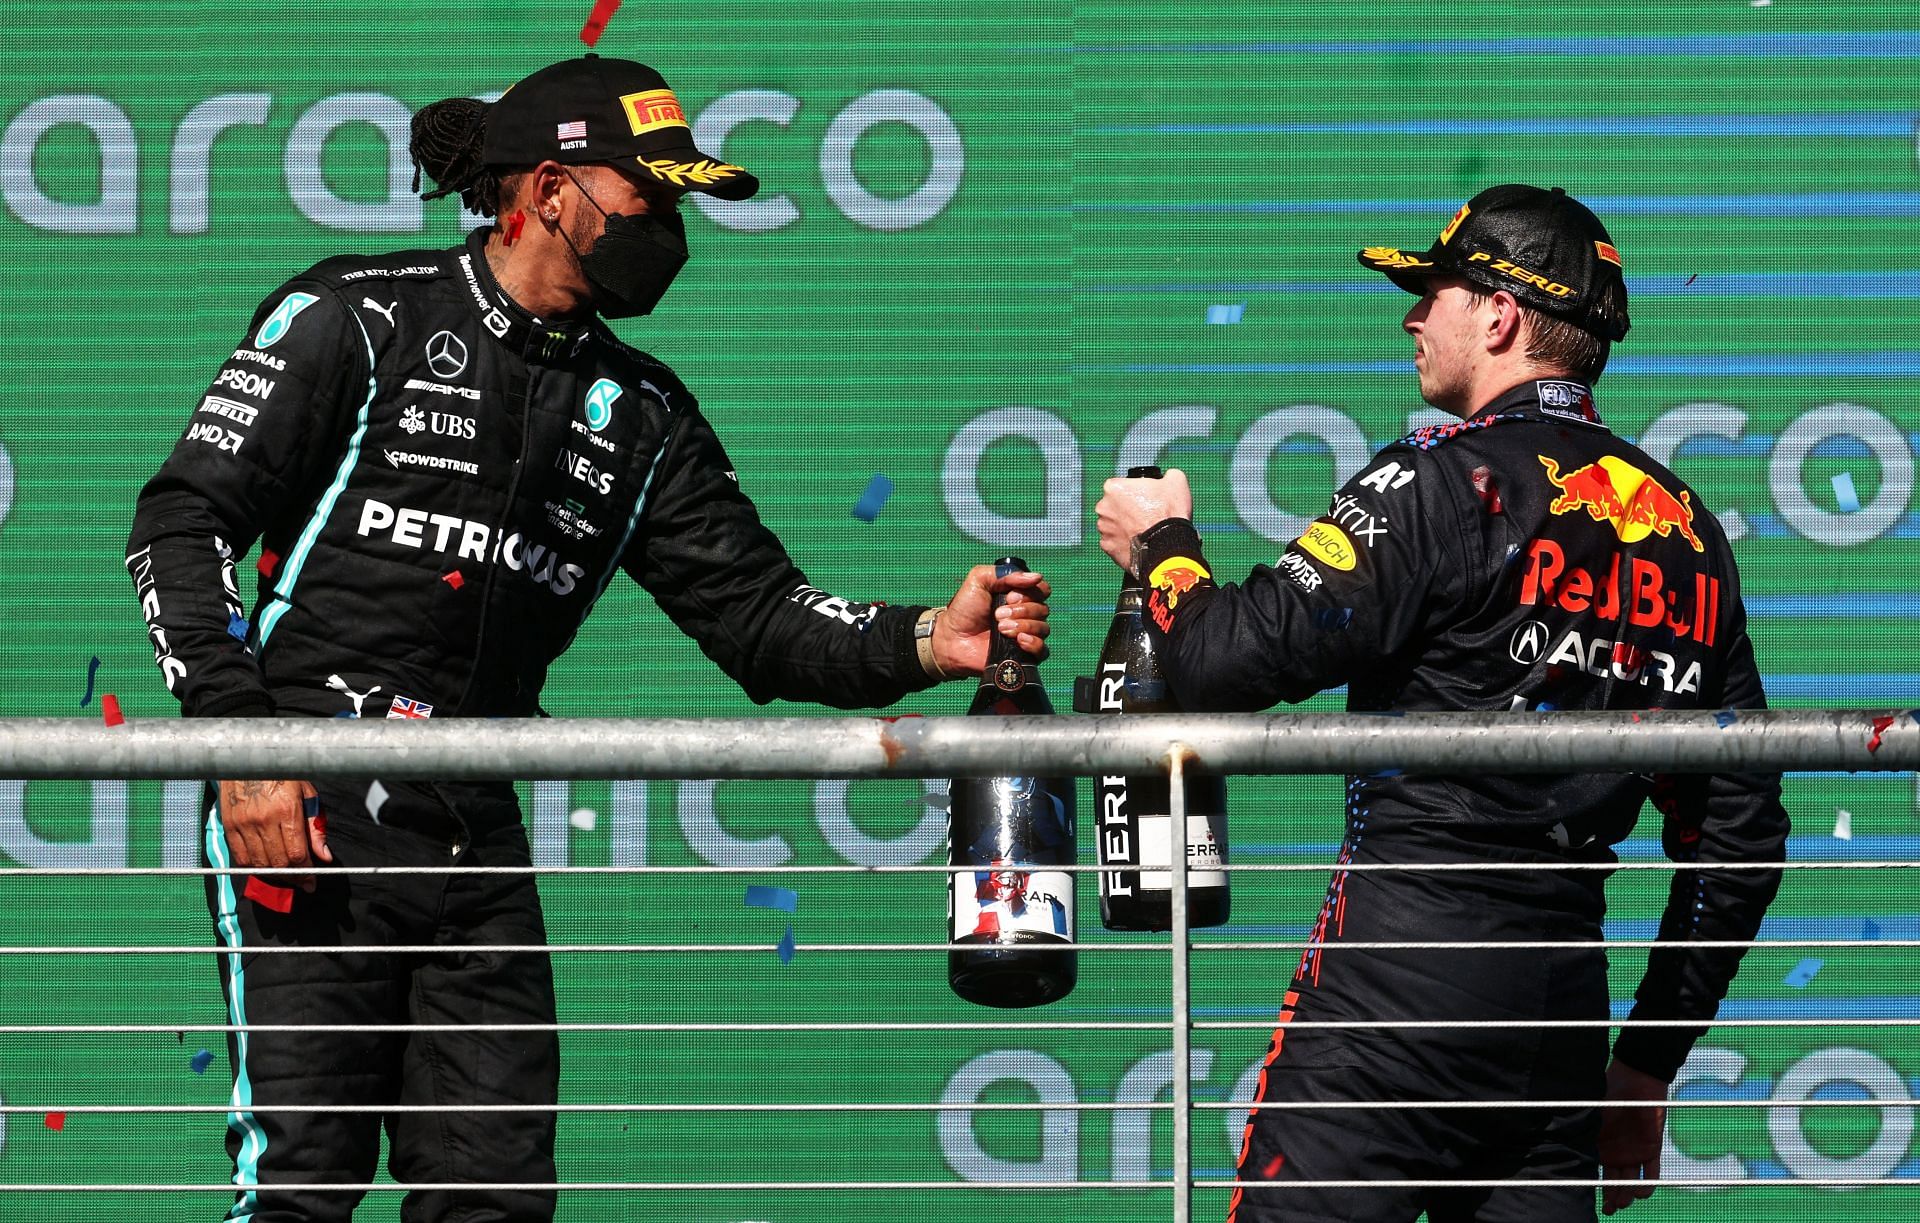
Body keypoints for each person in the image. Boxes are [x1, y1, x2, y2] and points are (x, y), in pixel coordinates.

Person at [126, 54, 1049, 1222]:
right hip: (307, 808)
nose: (668, 231)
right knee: (301, 1188)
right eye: (649, 200)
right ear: (552, 188)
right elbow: (180, 521)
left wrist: (934, 639)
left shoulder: (644, 410)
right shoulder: (358, 312)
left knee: (498, 1199)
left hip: (476, 822)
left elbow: (762, 622)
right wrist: (243, 747)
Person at [1096, 184, 1788, 1222]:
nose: (1412, 315)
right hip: (1561, 1024)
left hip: (1396, 990)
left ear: (1500, 316)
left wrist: (1161, 544)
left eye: (1435, 291)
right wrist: (1645, 1063)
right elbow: (1741, 830)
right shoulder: (1688, 530)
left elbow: (1225, 660)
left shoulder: (1439, 481)